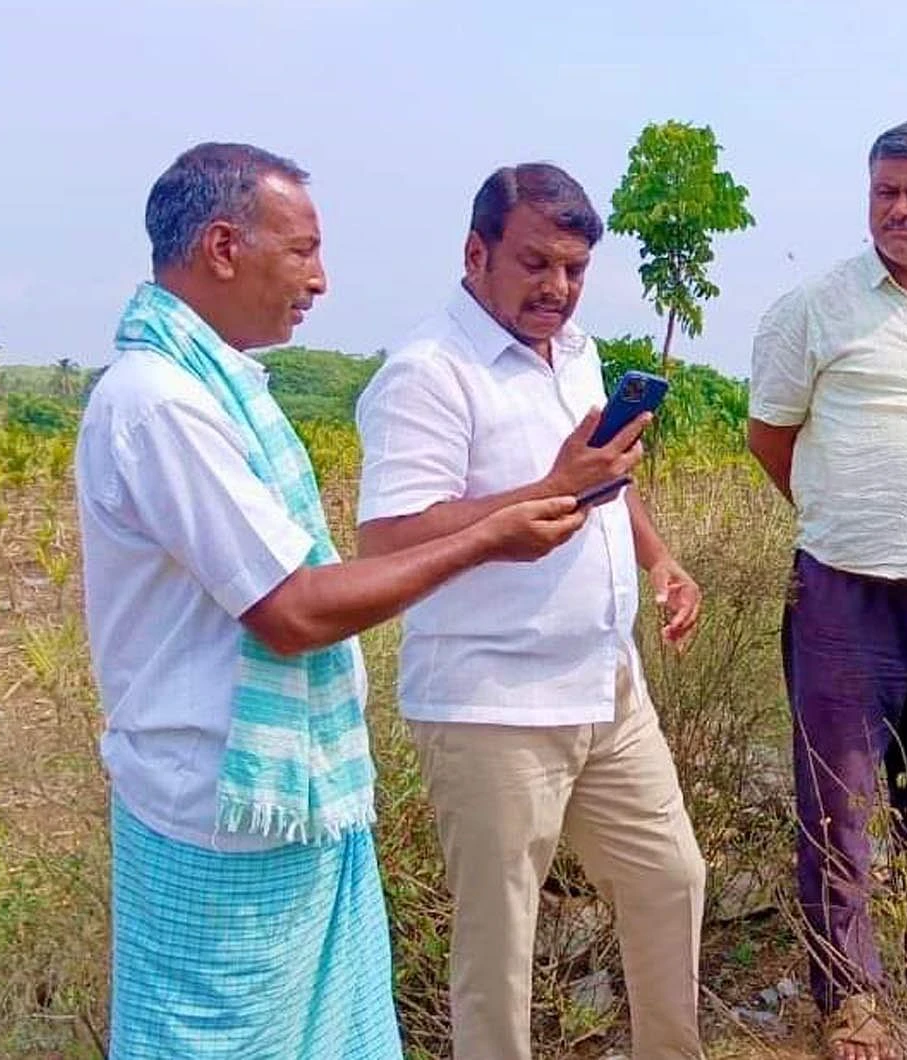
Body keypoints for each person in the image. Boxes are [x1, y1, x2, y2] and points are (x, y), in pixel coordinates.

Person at [77, 143, 588, 1059]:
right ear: (225, 247)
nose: (320, 279)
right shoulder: (161, 404)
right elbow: (293, 609)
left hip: (291, 798)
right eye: (302, 250)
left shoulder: (221, 387)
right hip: (216, 810)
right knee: (219, 1040)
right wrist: (486, 539)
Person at [353, 163, 707, 1060]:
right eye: (536, 264)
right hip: (491, 707)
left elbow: (603, 482)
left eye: (576, 269)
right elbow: (389, 541)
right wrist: (546, 488)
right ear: (477, 253)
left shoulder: (576, 351)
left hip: (606, 689)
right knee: (499, 948)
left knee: (670, 880)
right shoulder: (426, 374)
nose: (557, 288)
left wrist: (660, 561)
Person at [748, 120, 907, 1060]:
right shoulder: (816, 307)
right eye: (884, 192)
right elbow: (771, 437)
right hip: (847, 598)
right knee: (840, 804)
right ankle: (849, 995)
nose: (899, 210)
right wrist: (847, 520)